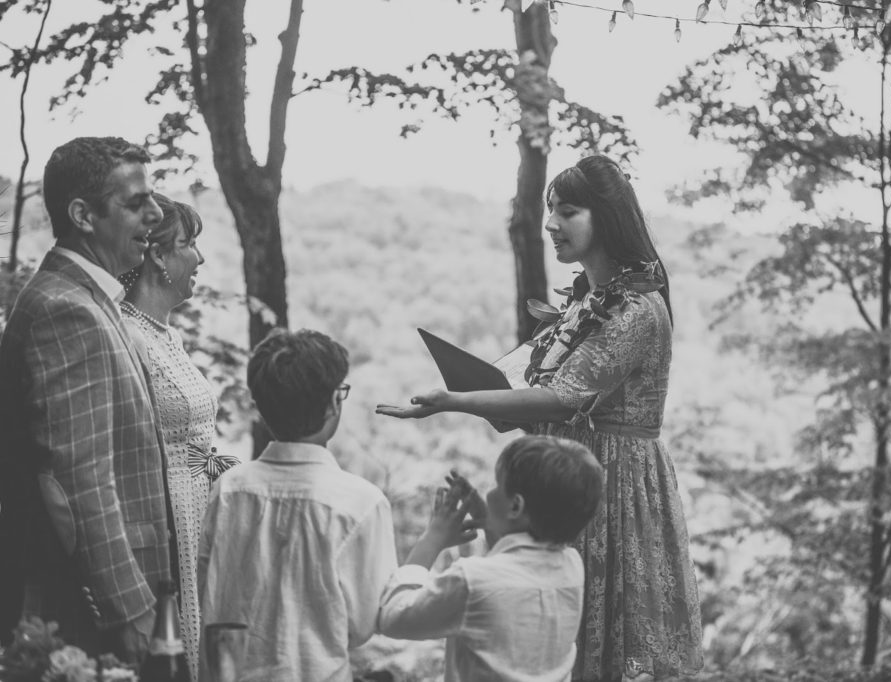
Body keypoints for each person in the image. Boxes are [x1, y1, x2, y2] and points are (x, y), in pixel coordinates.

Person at [377, 154, 704, 680]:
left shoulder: (638, 309)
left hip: (611, 476)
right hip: (569, 465)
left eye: (568, 211)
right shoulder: (587, 299)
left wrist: (455, 401)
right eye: (549, 209)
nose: (551, 223)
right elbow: (539, 385)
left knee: (605, 632)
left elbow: (562, 396)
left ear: (608, 217)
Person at [0, 137, 172, 663]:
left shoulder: (87, 297)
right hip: (85, 609)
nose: (156, 211)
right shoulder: (65, 309)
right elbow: (79, 482)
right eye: (135, 201)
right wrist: (129, 609)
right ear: (83, 214)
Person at [197, 329, 398, 682]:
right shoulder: (361, 504)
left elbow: (206, 592)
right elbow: (364, 624)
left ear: (259, 407)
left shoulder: (229, 489)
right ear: (335, 402)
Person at [118, 193, 236, 681]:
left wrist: (235, 478)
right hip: (162, 523)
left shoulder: (169, 335)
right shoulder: (127, 334)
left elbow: (197, 449)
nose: (200, 258)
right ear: (159, 256)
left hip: (198, 515)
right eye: (189, 244)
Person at [378, 435, 604, 682]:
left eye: (498, 485)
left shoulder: (472, 580)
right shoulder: (572, 566)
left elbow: (394, 617)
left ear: (516, 507)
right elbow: (516, 568)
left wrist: (433, 538)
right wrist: (492, 522)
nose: (490, 492)